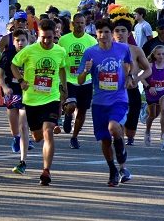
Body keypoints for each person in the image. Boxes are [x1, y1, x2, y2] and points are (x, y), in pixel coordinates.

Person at [11, 19, 67, 186]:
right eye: (43, 37)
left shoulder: (60, 51)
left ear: (55, 34)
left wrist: (64, 88)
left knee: (48, 131)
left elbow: (62, 68)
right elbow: (14, 65)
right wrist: (21, 80)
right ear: (38, 35)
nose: (46, 41)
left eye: (49, 37)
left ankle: (46, 171)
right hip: (32, 100)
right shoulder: (29, 50)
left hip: (51, 98)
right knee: (36, 137)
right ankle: (39, 135)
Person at [77, 19, 132, 187]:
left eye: (107, 32)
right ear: (96, 34)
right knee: (105, 140)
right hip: (99, 102)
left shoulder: (123, 48)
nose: (103, 35)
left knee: (113, 127)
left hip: (119, 98)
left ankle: (121, 155)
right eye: (100, 32)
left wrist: (129, 76)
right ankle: (113, 170)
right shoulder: (90, 53)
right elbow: (79, 80)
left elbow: (129, 63)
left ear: (112, 33)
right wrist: (86, 70)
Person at [58, 13, 97, 149]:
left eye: (82, 23)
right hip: (69, 79)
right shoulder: (64, 40)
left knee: (82, 111)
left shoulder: (92, 41)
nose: (79, 25)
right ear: (72, 24)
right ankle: (68, 114)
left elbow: (96, 60)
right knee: (71, 106)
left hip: (86, 80)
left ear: (85, 24)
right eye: (77, 23)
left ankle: (74, 137)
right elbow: (59, 58)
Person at [111, 16, 152, 145]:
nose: (120, 34)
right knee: (116, 116)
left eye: (123, 30)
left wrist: (137, 79)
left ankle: (129, 137)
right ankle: (118, 137)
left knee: (132, 115)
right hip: (113, 89)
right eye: (117, 30)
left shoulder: (135, 50)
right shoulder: (106, 49)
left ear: (129, 33)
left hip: (131, 88)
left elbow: (148, 69)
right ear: (113, 33)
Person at [0, 29, 31, 174]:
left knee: (24, 125)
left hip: (28, 92)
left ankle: (23, 161)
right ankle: (15, 137)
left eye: (23, 40)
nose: (20, 43)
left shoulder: (32, 54)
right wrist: (4, 87)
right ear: (14, 42)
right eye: (18, 40)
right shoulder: (8, 54)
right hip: (11, 90)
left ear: (28, 41)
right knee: (13, 119)